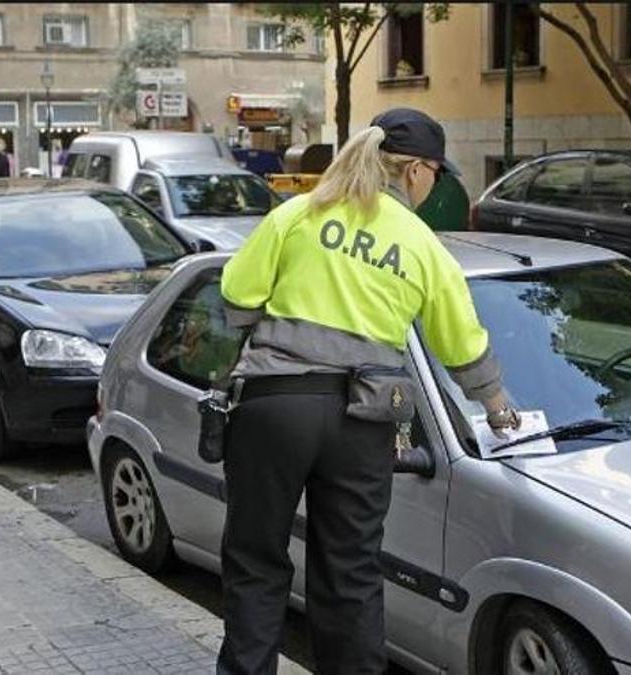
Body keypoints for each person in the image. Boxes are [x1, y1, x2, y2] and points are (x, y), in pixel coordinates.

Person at [217, 108, 519, 674]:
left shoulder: (300, 212)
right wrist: (498, 406)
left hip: (275, 406)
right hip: (364, 420)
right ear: (414, 173)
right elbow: (460, 343)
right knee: (350, 573)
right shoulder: (421, 243)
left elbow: (236, 294)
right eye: (437, 173)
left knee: (256, 563)